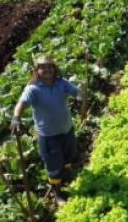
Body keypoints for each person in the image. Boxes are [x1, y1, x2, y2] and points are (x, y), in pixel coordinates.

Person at [10, 56, 82, 203]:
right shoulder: (33, 89)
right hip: (49, 136)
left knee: (69, 155)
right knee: (53, 165)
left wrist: (80, 95)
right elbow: (21, 104)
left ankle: (67, 175)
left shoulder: (61, 83)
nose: (47, 70)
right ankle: (58, 194)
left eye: (50, 67)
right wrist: (16, 118)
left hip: (67, 130)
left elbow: (76, 92)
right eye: (43, 67)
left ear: (55, 69)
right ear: (37, 71)